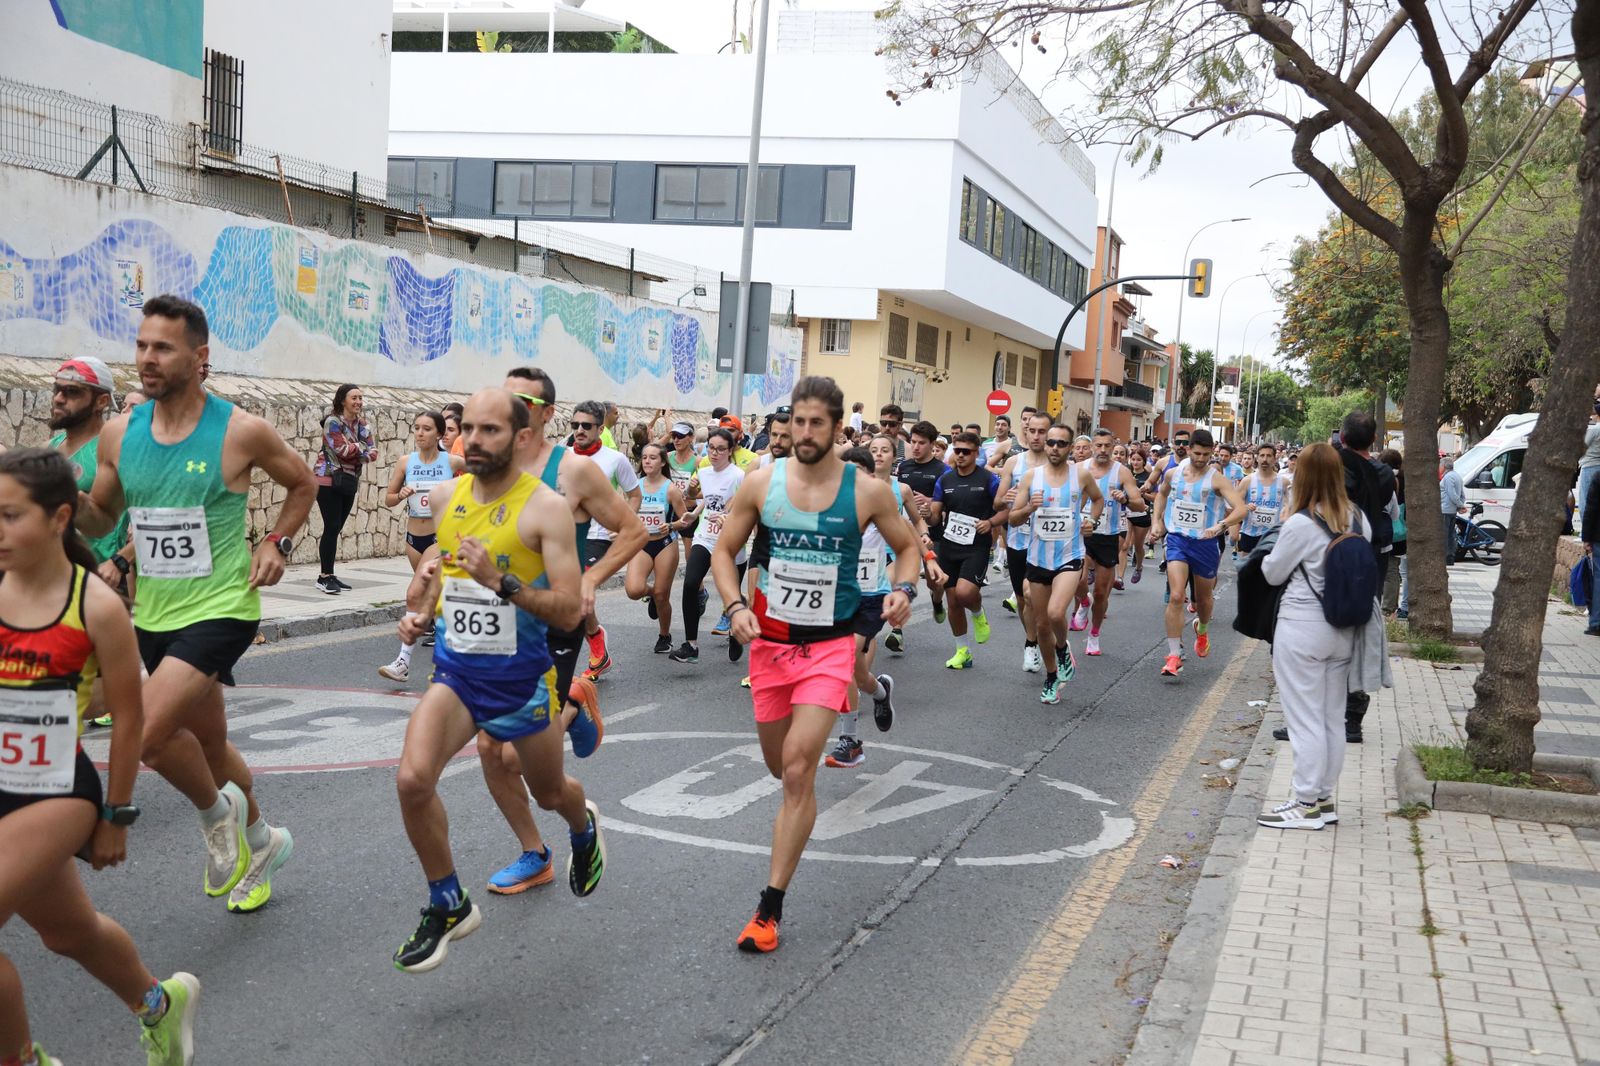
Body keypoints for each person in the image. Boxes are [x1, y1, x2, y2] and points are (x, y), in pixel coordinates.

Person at [77, 294, 316, 915]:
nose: (146, 359)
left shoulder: (240, 430)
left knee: (148, 737)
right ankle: (262, 840)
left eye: (162, 348)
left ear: (199, 357)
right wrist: (60, 500)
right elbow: (102, 511)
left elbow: (303, 482)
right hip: (154, 611)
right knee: (209, 746)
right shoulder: (119, 433)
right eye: (141, 346)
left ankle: (218, 816)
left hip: (222, 608)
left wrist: (277, 541)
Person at [0, 449, 202, 1066]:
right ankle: (160, 1006)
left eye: (9, 516)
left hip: (54, 791)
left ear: (60, 517)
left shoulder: (97, 606)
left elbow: (130, 716)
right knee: (68, 932)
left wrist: (115, 816)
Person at [390, 388, 599, 973]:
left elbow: (568, 611)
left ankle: (582, 829)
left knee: (552, 793)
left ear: (523, 437)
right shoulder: (444, 496)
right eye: (470, 430)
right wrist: (419, 612)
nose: (473, 441)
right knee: (411, 781)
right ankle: (447, 901)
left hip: (523, 683)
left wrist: (502, 582)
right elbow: (438, 582)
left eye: (490, 431)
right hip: (458, 674)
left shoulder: (546, 508)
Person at [713, 376, 919, 953]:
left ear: (835, 429)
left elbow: (906, 547)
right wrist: (733, 606)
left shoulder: (867, 491)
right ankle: (791, 825)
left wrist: (903, 589)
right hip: (770, 646)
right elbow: (724, 553)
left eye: (815, 424)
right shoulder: (761, 484)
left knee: (801, 769)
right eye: (796, 423)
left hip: (831, 645)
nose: (803, 433)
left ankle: (768, 909)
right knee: (781, 768)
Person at [1257, 442, 1373, 830]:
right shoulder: (1358, 518)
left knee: (1303, 720)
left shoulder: (1301, 523)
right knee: (1330, 719)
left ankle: (1304, 802)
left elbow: (1272, 572)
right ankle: (1323, 798)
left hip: (1302, 630)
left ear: (1302, 477)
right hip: (1343, 630)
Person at [825, 438, 942, 768]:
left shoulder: (880, 507)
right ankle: (880, 693)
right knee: (859, 674)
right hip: (835, 598)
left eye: (862, 474)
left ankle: (850, 741)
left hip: (871, 598)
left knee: (844, 657)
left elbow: (909, 536)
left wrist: (929, 560)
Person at [1008, 423, 1105, 703]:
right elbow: (1013, 519)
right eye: (1051, 442)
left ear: (1070, 447)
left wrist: (1092, 521)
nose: (1054, 448)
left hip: (1069, 556)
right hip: (1038, 558)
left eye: (1061, 443)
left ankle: (1063, 648)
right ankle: (1051, 676)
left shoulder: (1080, 475)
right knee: (1040, 627)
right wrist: (1029, 508)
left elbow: (1098, 500)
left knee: (1054, 614)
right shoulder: (1030, 478)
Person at [1149, 429, 1247, 678]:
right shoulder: (1174, 473)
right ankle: (1173, 655)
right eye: (1197, 453)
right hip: (1178, 540)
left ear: (1211, 451)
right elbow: (1161, 494)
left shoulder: (1216, 479)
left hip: (1205, 543)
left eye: (1206, 454)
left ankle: (1201, 629)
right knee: (1176, 595)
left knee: (1203, 600)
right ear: (1189, 450)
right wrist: (1156, 521)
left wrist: (1221, 526)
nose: (1201, 458)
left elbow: (1240, 508)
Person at [378, 411, 463, 681]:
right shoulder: (406, 462)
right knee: (435, 597)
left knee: (415, 593)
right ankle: (456, 655)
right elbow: (388, 499)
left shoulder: (452, 461)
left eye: (427, 429)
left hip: (441, 537)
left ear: (439, 434)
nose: (420, 433)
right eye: (416, 428)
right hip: (414, 538)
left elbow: (483, 480)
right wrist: (400, 494)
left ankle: (403, 661)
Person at [568, 400, 642, 681]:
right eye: (575, 425)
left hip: (598, 536)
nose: (579, 431)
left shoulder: (615, 459)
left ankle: (596, 647)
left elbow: (634, 495)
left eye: (586, 426)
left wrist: (623, 526)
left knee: (577, 593)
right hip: (564, 536)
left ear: (601, 428)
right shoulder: (562, 456)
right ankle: (594, 640)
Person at [930, 431, 1009, 669]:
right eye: (957, 450)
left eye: (967, 451)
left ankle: (977, 611)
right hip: (949, 545)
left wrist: (992, 523)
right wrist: (927, 514)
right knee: (953, 601)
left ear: (977, 454)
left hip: (976, 546)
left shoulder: (988, 480)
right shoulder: (945, 480)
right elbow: (935, 516)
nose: (961, 455)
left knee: (965, 593)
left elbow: (1006, 510)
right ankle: (962, 651)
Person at [672, 428, 746, 664]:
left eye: (720, 449)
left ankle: (736, 630)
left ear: (730, 450)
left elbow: (745, 508)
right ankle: (691, 645)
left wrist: (729, 519)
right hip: (705, 536)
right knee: (691, 582)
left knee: (730, 594)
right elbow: (701, 499)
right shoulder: (703, 472)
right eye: (711, 448)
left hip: (731, 541)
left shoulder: (738, 476)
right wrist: (693, 511)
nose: (714, 453)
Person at [1079, 428, 1145, 657]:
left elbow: (1140, 505)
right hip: (1081, 533)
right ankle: (1082, 602)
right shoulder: (1080, 469)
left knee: (1100, 593)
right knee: (1076, 582)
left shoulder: (1122, 472)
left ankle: (1094, 634)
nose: (1103, 450)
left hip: (1108, 536)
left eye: (1108, 445)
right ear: (1091, 447)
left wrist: (1125, 499)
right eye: (1099, 445)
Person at [995, 412, 1050, 671]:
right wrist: (1009, 496)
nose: (1036, 436)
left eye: (1042, 432)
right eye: (1032, 431)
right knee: (1022, 598)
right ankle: (1035, 639)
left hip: (1048, 543)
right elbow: (997, 502)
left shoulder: (1059, 464)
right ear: (1025, 433)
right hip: (1019, 540)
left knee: (1032, 595)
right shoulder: (1014, 463)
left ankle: (1033, 644)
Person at [312, 383, 378, 595]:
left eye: (360, 398)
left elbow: (374, 452)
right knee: (331, 526)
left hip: (348, 479)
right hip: (327, 479)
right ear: (343, 401)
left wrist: (357, 450)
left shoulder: (363, 425)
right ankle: (323, 578)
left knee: (336, 528)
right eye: (354, 398)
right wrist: (361, 448)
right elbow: (340, 449)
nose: (358, 402)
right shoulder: (332, 422)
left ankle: (330, 574)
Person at [625, 443, 689, 654]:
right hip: (642, 543)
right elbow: (629, 514)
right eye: (644, 458)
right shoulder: (636, 487)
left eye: (653, 458)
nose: (647, 461)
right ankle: (650, 594)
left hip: (664, 544)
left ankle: (664, 635)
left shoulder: (670, 489)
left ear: (662, 462)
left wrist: (671, 525)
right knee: (634, 590)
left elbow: (685, 520)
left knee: (663, 596)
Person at [893, 421, 950, 653]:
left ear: (932, 444)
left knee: (934, 581)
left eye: (921, 443)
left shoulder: (943, 471)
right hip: (904, 533)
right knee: (901, 579)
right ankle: (896, 630)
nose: (915, 447)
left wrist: (932, 504)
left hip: (932, 532)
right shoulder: (904, 467)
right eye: (913, 442)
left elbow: (949, 503)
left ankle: (937, 601)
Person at [1238, 443, 1287, 556]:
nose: (1265, 459)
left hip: (1273, 535)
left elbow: (1291, 507)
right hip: (1250, 533)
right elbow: (1236, 505)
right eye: (1262, 455)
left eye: (1269, 456)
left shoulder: (1284, 482)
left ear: (1275, 458)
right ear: (1257, 458)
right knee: (1248, 570)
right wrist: (1245, 507)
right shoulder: (1247, 481)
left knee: (1268, 572)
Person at [1380, 448, 1407, 618]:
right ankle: (1390, 606)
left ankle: (1387, 607)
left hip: (1389, 529)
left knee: (1389, 571)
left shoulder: (1388, 479)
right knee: (1394, 569)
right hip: (1401, 531)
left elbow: (1393, 510)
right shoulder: (1405, 478)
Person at [1121, 449, 1154, 586]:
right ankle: (1119, 578)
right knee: (1125, 545)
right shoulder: (1125, 474)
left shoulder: (1149, 477)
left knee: (1138, 546)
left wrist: (1143, 494)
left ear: (1144, 461)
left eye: (1139, 460)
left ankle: (1139, 567)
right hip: (1127, 513)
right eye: (1133, 459)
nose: (1135, 462)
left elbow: (1156, 497)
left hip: (1142, 514)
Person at [1440, 455, 1466, 567]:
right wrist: (1460, 505)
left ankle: (1446, 556)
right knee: (1451, 534)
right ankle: (1450, 557)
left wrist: (1460, 505)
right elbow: (1462, 495)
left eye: (1440, 465)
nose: (1439, 467)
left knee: (1445, 534)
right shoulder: (1457, 476)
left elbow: (1452, 494)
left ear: (1444, 466)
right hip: (1452, 510)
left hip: (1445, 509)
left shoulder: (1447, 478)